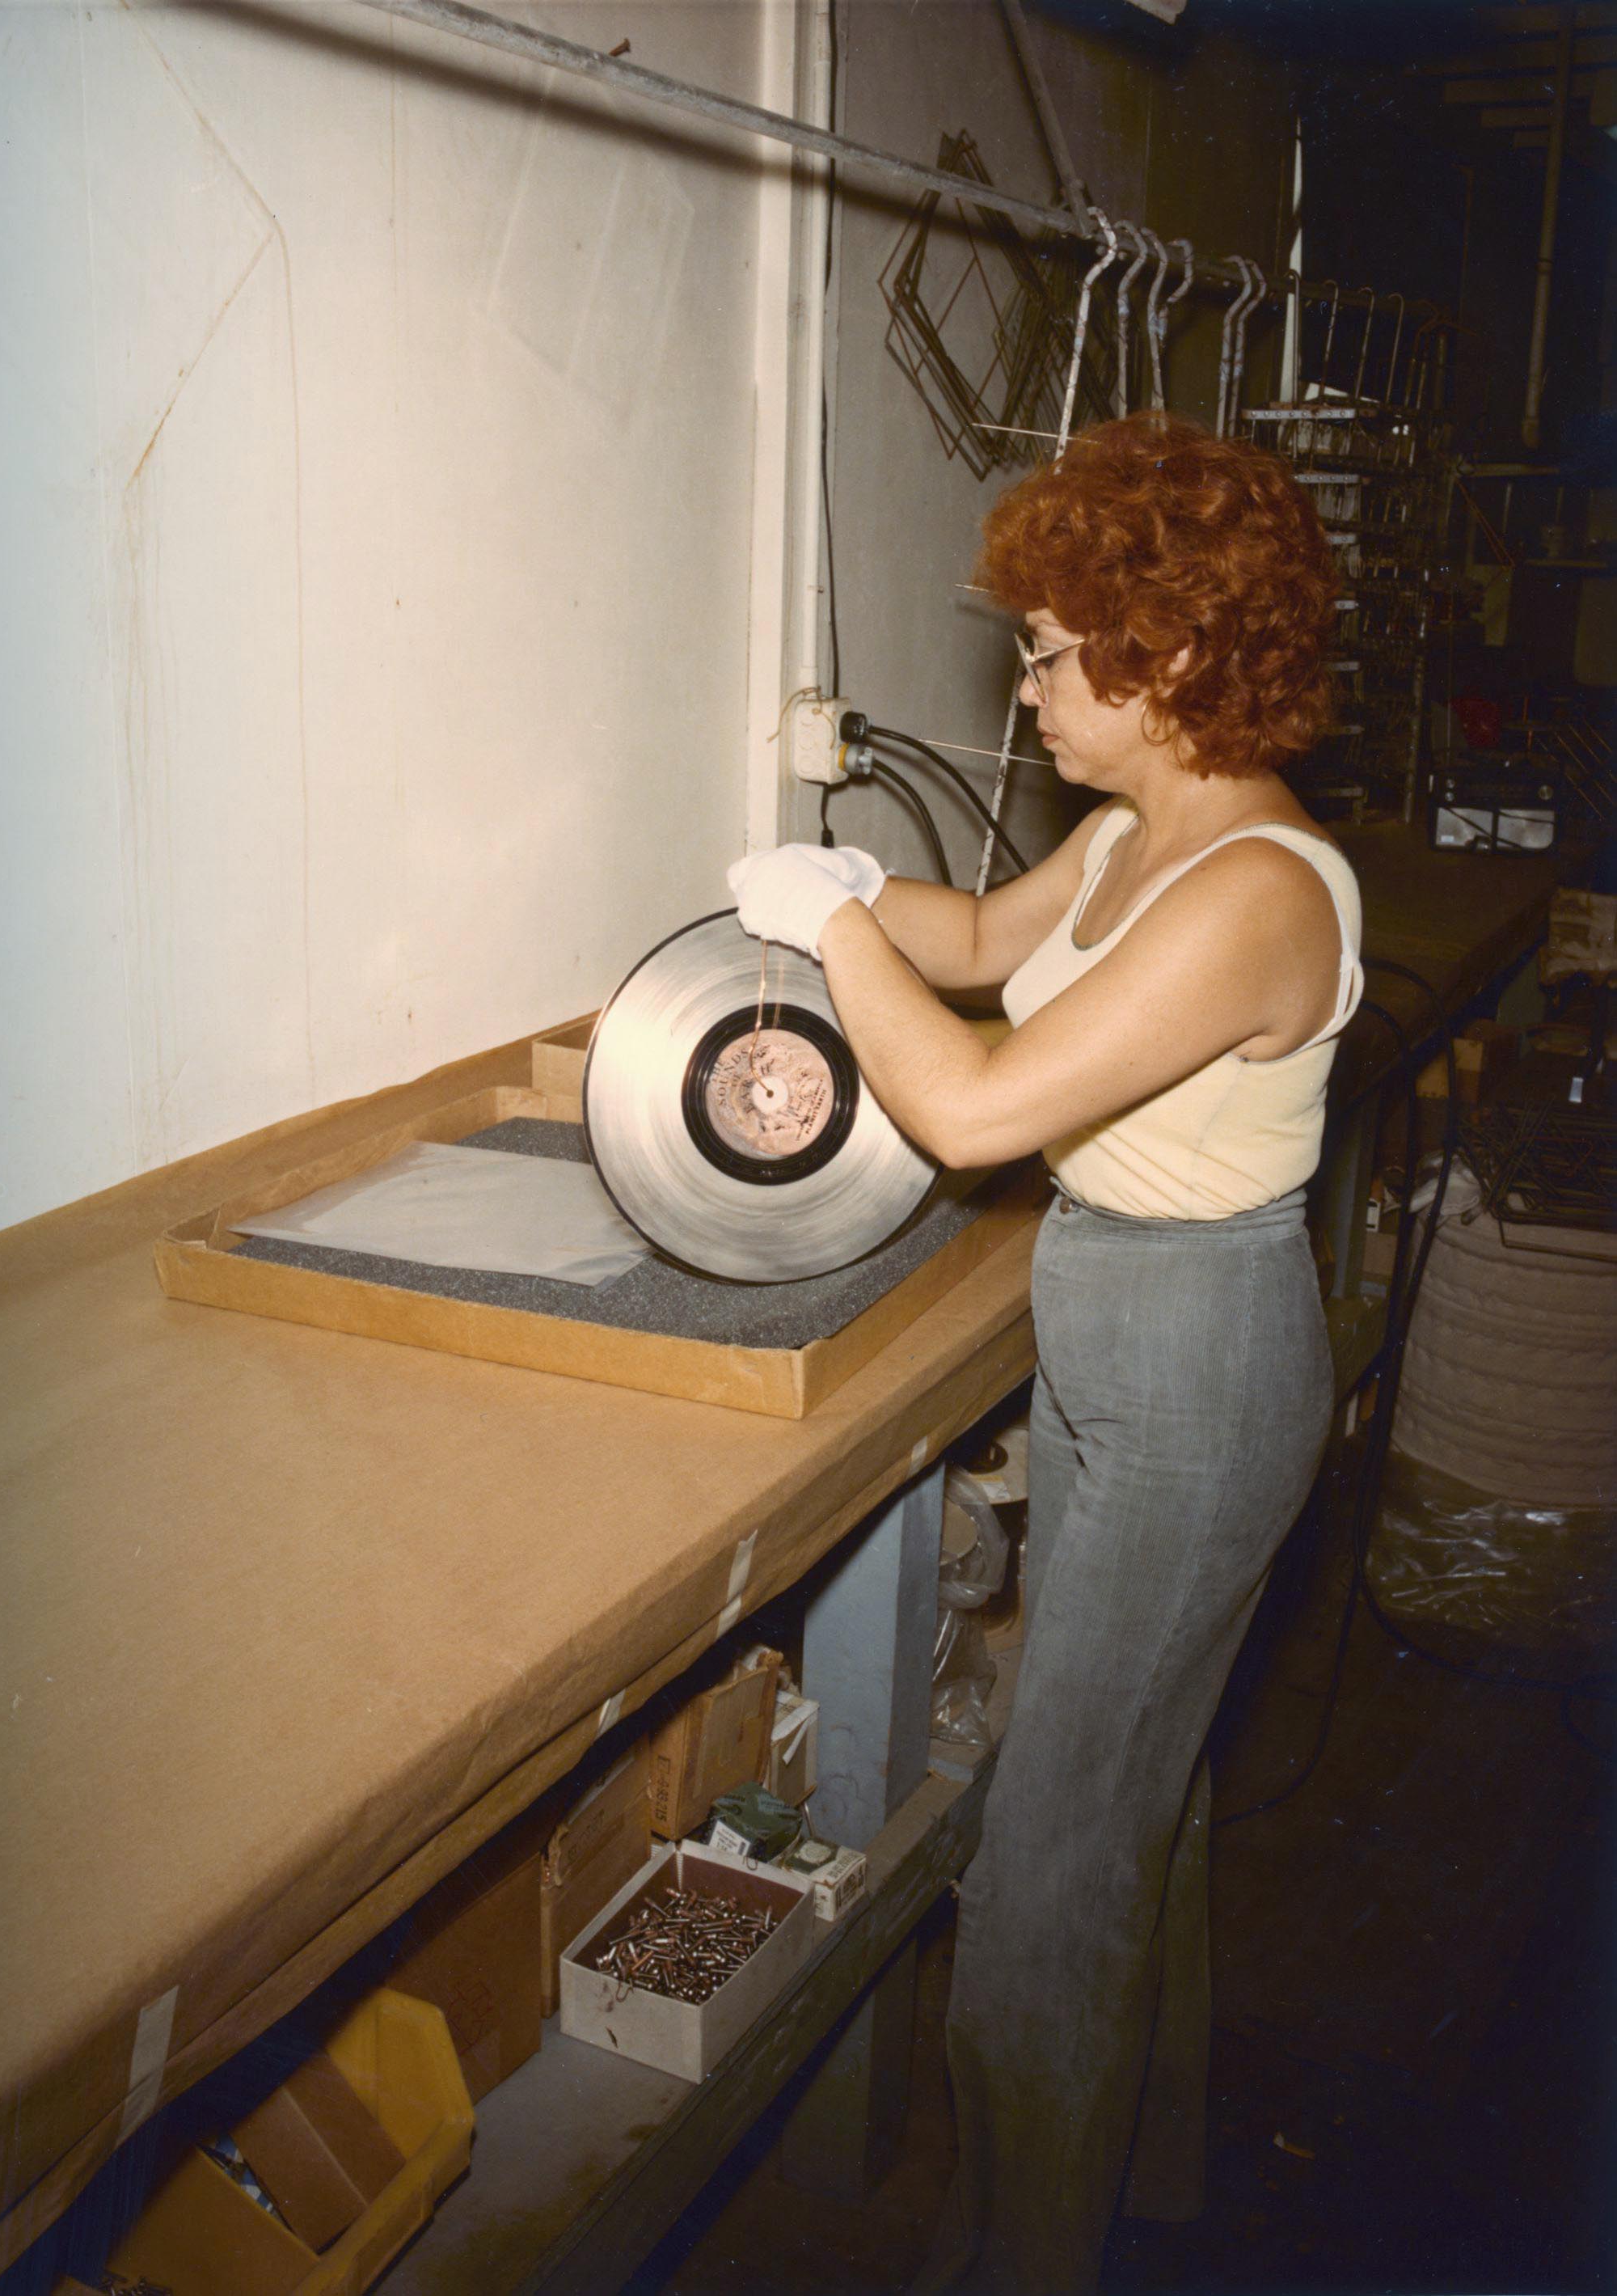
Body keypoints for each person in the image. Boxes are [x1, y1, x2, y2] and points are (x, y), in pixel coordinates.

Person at [727, 409, 1362, 2293]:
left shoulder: (1254, 890)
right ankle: (1134, 2185)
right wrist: (838, 889)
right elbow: (985, 943)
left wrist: (833, 956)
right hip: (1110, 1316)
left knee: (1045, 1873)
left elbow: (985, 1106)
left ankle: (1017, 2261)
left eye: (1051, 651)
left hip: (1200, 1353)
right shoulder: (1129, 839)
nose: (1025, 688)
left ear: (1161, 656)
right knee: (1124, 1803)